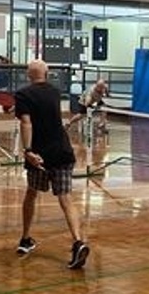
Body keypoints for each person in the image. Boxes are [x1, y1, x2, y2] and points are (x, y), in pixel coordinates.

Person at [13, 60, 91, 270]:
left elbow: (27, 122)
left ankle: (26, 238)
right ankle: (78, 242)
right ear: (46, 74)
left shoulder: (23, 94)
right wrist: (17, 108)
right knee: (66, 199)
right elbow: (41, 111)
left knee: (31, 193)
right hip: (63, 152)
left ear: (28, 75)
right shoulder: (55, 93)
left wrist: (28, 151)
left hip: (40, 155)